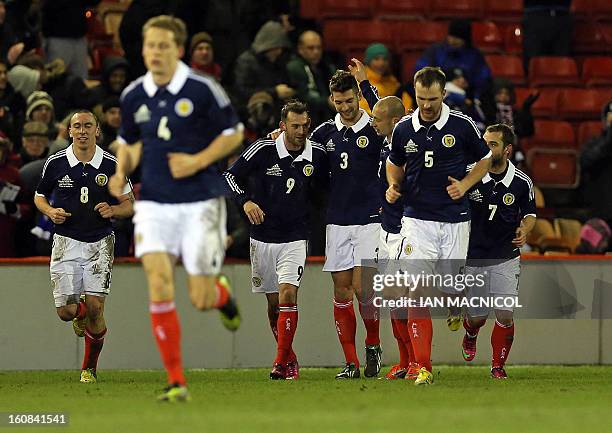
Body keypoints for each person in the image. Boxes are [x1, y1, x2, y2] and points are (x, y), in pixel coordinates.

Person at [108, 15, 243, 402]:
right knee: (159, 281)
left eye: (163, 46)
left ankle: (220, 295)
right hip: (153, 203)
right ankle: (176, 381)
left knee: (198, 298)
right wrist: (121, 173)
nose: (155, 53)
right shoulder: (134, 94)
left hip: (200, 202)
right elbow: (131, 142)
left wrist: (198, 160)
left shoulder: (202, 89)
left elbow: (233, 133)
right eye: (150, 45)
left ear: (178, 49)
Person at [386, 66, 491, 385]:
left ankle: (458, 302)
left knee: (448, 290)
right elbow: (394, 163)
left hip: (454, 220)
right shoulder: (404, 128)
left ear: (443, 95)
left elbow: (485, 158)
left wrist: (467, 183)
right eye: (420, 99)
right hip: (417, 219)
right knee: (416, 291)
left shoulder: (461, 125)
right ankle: (423, 367)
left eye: (432, 99)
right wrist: (393, 185)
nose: (426, 105)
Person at [224, 100, 328, 380]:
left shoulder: (316, 154)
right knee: (273, 306)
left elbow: (329, 185)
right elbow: (230, 177)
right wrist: (245, 202)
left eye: (305, 125)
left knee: (288, 295)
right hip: (262, 238)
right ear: (282, 126)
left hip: (295, 237)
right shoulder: (263, 149)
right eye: (294, 126)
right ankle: (289, 356)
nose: (300, 131)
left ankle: (280, 363)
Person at [33, 110, 134, 383]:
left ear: (97, 130)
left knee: (96, 308)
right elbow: (39, 196)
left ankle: (89, 368)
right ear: (69, 131)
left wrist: (113, 209)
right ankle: (79, 315)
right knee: (66, 312)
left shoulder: (112, 164)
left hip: (99, 242)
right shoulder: (55, 163)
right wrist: (50, 212)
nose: (82, 130)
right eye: (77, 126)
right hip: (65, 241)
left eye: (88, 125)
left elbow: (130, 203)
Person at [310, 69, 385, 379]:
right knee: (341, 292)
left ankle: (373, 344)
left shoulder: (375, 127)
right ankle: (351, 362)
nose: (345, 107)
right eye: (339, 102)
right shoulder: (324, 133)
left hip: (370, 219)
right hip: (338, 221)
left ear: (358, 96)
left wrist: (368, 86)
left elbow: (393, 119)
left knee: (361, 288)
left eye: (350, 100)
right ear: (332, 100)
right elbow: (304, 159)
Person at [348, 58, 418, 380]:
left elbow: (387, 110)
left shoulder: (408, 144)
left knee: (406, 298)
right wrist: (364, 84)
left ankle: (418, 360)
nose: (371, 121)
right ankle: (405, 361)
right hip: (386, 229)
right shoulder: (389, 136)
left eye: (377, 119)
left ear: (394, 122)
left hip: (407, 230)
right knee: (392, 300)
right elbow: (383, 107)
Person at [461, 123, 536, 379]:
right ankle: (470, 332)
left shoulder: (521, 182)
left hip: (505, 255)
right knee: (478, 317)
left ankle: (497, 366)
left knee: (505, 313)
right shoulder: (470, 174)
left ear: (507, 150)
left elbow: (529, 214)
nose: (487, 149)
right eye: (485, 143)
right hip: (473, 257)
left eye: (493, 144)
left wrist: (525, 229)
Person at [415, 19, 492, 101]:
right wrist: (445, 83)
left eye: (458, 38)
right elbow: (422, 73)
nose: (453, 40)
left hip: (467, 97)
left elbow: (483, 78)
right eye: (451, 36)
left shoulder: (475, 55)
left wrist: (468, 84)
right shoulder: (435, 51)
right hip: (437, 94)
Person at [286, 30, 336, 126]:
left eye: (319, 48)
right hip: (304, 119)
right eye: (311, 48)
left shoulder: (326, 67)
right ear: (300, 49)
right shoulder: (295, 67)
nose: (316, 52)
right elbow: (302, 96)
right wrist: (327, 102)